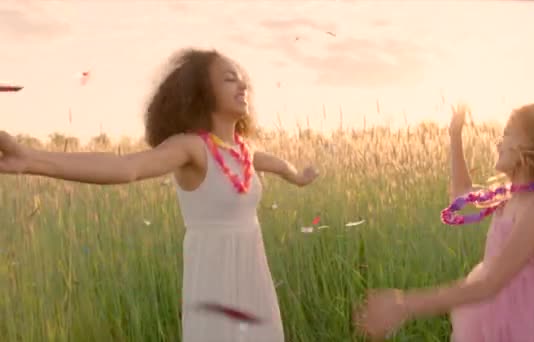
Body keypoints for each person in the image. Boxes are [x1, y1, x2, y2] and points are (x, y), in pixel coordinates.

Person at [0, 48, 318, 342]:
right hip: (214, 277)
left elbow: (277, 164)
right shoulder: (191, 147)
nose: (242, 86)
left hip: (252, 274)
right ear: (203, 94)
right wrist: (31, 159)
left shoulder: (244, 152)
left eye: (242, 80)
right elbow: (127, 167)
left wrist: (297, 177)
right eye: (228, 78)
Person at [354, 104, 534, 341]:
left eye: (507, 134)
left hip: (531, 318)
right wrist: (455, 136)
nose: (498, 142)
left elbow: (491, 283)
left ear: (527, 149)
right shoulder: (509, 198)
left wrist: (406, 304)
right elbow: (461, 193)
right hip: (497, 310)